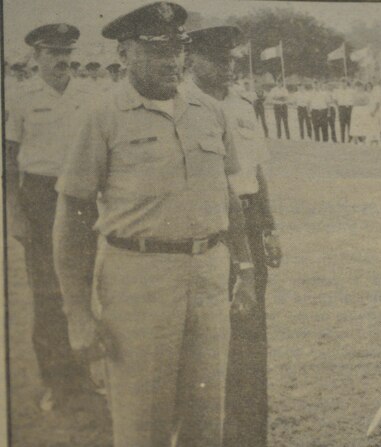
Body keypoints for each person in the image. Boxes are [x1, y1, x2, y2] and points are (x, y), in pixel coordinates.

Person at [52, 4, 256, 446]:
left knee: (206, 420)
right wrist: (78, 315)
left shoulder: (209, 110)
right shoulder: (101, 116)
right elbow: (71, 217)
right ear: (124, 53)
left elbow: (228, 194)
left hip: (207, 277)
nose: (171, 61)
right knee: (143, 422)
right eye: (155, 50)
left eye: (177, 49)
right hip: (137, 281)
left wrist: (244, 267)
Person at [185, 25, 283, 447]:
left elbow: (256, 171)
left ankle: (249, 434)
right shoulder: (184, 105)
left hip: (249, 221)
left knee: (250, 332)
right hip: (207, 228)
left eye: (230, 59)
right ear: (192, 60)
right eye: (216, 60)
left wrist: (271, 227)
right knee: (206, 338)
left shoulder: (243, 104)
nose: (226, 68)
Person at [5, 22, 94, 412]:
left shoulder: (88, 96)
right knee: (47, 292)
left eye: (67, 52)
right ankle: (57, 383)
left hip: (82, 198)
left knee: (86, 287)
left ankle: (88, 373)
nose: (62, 60)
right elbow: (8, 162)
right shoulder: (19, 97)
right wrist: (14, 215)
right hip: (39, 199)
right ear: (36, 56)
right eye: (53, 52)